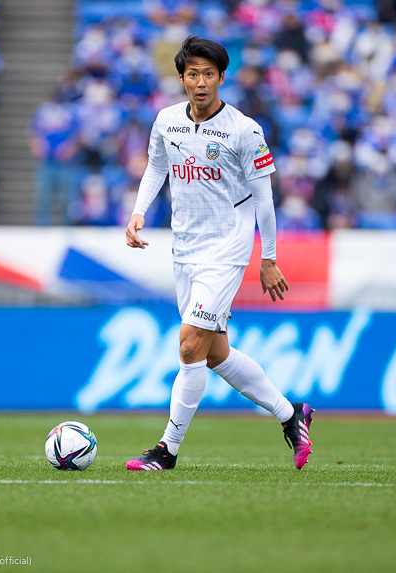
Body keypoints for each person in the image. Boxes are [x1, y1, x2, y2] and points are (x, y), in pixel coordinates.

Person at [123, 36, 314, 472]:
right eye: (193, 74)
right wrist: (138, 212)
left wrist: (268, 258)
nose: (201, 82)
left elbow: (264, 199)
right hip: (185, 248)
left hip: (227, 249)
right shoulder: (166, 121)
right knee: (214, 354)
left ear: (222, 78)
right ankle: (291, 414)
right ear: (181, 78)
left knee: (189, 344)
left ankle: (167, 450)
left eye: (209, 74)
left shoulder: (244, 130)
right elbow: (156, 167)